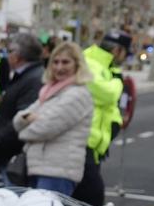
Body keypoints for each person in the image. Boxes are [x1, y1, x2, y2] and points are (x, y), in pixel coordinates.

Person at [12, 41, 94, 195]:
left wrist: (26, 128)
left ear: (77, 65)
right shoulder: (49, 92)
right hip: (39, 168)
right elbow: (17, 120)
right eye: (55, 62)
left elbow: (44, 128)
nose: (59, 67)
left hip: (58, 172)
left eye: (65, 62)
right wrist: (31, 118)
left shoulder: (77, 94)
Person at [72, 31, 129, 206]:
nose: (125, 58)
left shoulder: (108, 67)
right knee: (93, 200)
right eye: (125, 53)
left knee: (84, 202)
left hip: (95, 145)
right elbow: (107, 95)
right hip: (83, 142)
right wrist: (119, 81)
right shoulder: (90, 63)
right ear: (118, 50)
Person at [0, 32, 45, 178]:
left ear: (18, 55)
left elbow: (22, 120)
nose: (7, 55)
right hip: (6, 152)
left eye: (9, 51)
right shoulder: (25, 75)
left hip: (13, 159)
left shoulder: (33, 79)